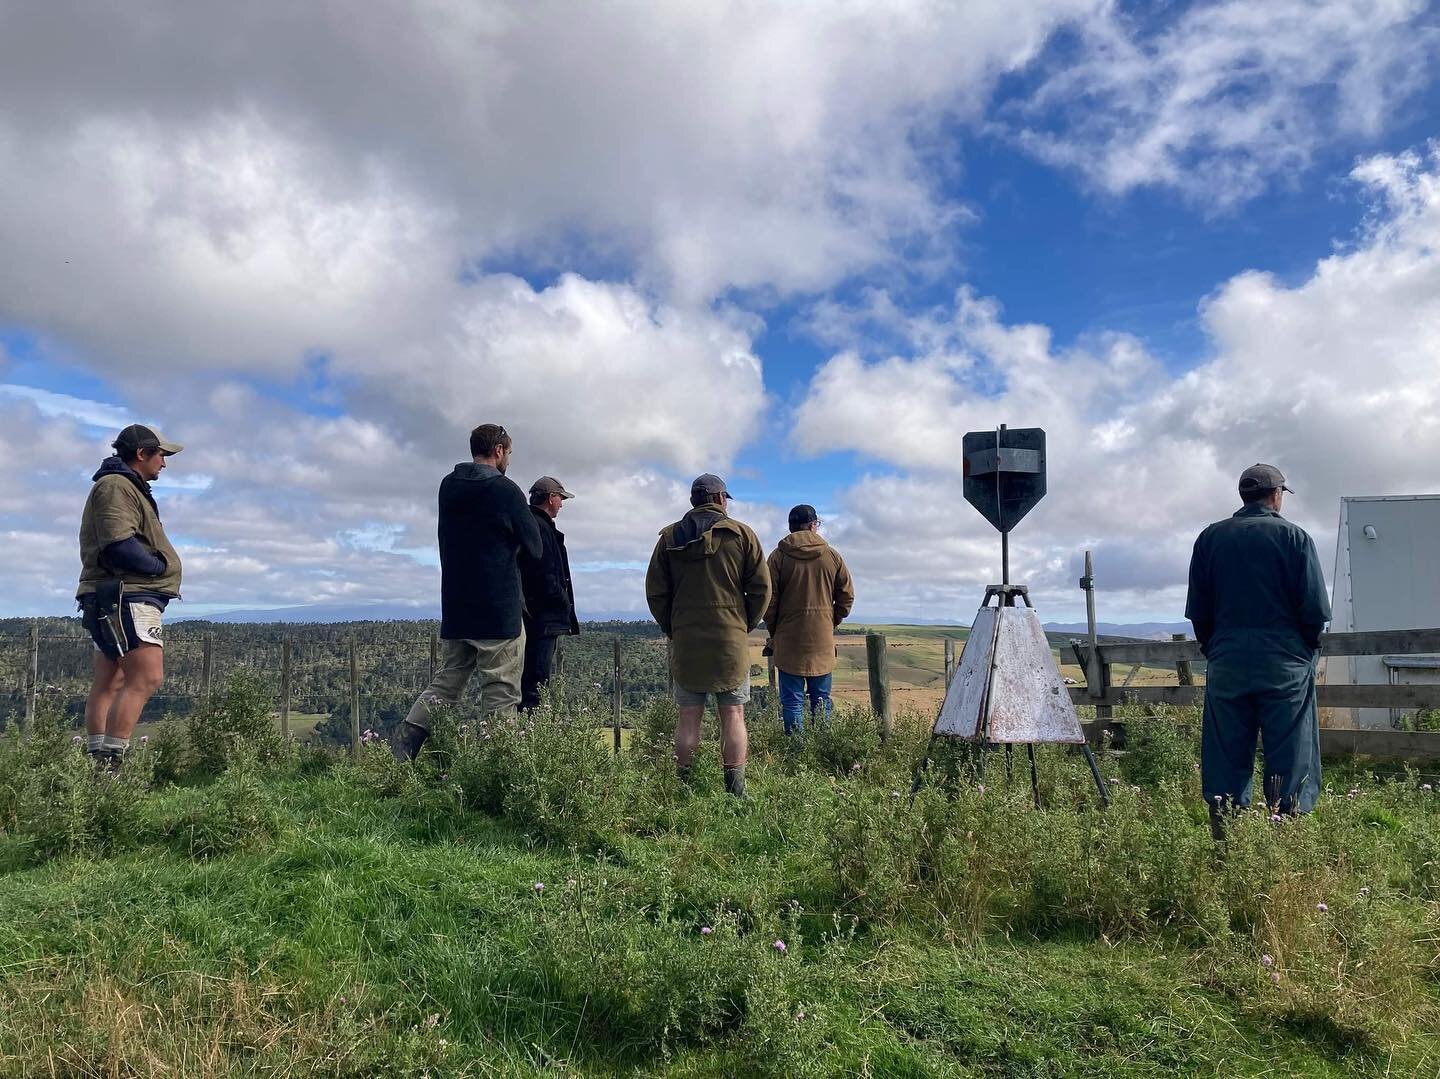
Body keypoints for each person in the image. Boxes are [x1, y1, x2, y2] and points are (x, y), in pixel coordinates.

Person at [1185, 463, 1331, 835]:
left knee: (1226, 750)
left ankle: (1227, 843)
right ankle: (1285, 842)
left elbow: (1198, 612)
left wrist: (1216, 648)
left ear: (1244, 496)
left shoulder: (1209, 539)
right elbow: (1314, 610)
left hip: (1228, 661)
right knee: (1291, 750)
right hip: (1285, 663)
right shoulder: (1295, 538)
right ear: (1276, 495)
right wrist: (1304, 652)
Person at [394, 424, 542, 760]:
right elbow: (535, 548)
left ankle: (405, 746)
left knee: (447, 683)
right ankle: (497, 767)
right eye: (509, 453)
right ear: (500, 450)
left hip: (458, 607)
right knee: (501, 692)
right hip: (499, 609)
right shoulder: (507, 491)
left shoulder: (448, 487)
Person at [645, 473, 770, 797]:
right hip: (729, 638)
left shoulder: (670, 538)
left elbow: (656, 593)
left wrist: (673, 627)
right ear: (719, 498)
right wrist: (743, 623)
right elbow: (761, 589)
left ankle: (684, 790)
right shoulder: (742, 535)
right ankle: (735, 792)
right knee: (733, 713)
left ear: (693, 501)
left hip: (687, 638)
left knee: (688, 716)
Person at [76, 424, 184, 767]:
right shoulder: (116, 487)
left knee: (112, 679)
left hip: (114, 594)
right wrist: (157, 565)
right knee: (146, 677)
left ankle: (98, 763)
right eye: (161, 455)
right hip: (128, 596)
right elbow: (117, 544)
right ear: (142, 454)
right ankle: (110, 766)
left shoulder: (122, 486)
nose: (164, 463)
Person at [762, 504, 854, 736]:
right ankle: (822, 750)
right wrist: (829, 622)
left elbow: (767, 601)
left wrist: (776, 630)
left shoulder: (778, 557)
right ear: (813, 525)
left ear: (791, 527)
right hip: (821, 640)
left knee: (792, 702)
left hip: (788, 639)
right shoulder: (832, 556)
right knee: (821, 699)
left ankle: (796, 755)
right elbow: (846, 597)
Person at [519, 476, 580, 711]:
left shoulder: (532, 524)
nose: (562, 504)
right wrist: (561, 602)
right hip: (542, 619)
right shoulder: (539, 527)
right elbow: (546, 574)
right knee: (535, 682)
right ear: (550, 498)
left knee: (530, 681)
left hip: (535, 616)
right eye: (560, 498)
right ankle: (529, 736)